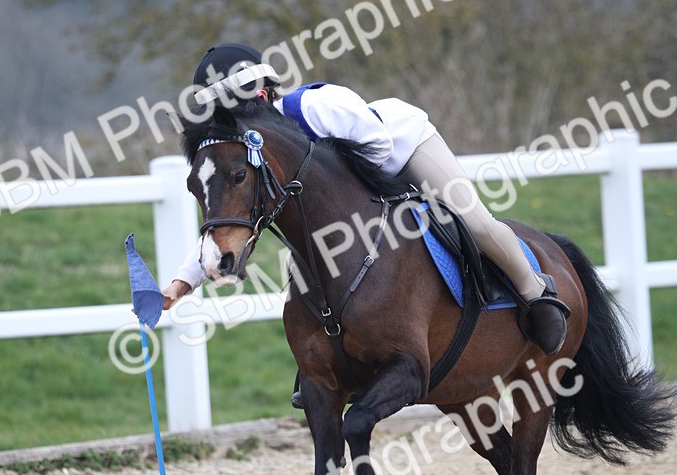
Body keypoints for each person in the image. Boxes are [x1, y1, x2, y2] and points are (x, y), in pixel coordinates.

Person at [162, 43, 570, 376]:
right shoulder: (260, 149)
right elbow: (231, 215)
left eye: (239, 112)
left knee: (473, 220)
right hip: (369, 172)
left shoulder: (317, 108)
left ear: (264, 95)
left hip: (405, 150)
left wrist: (362, 194)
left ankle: (536, 293)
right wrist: (182, 283)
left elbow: (380, 147)